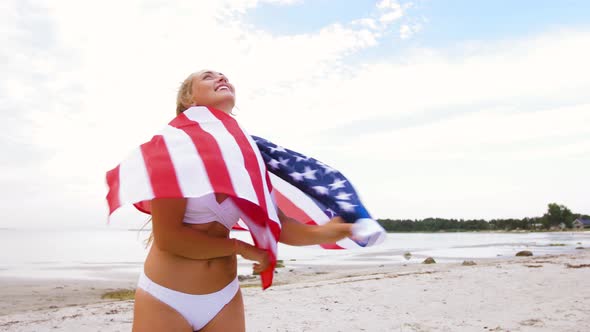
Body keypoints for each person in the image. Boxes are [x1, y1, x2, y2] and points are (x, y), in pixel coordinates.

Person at [131, 70, 355, 332]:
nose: (221, 78)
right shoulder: (172, 146)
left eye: (224, 76)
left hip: (223, 297)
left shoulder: (246, 156)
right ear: (189, 99)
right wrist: (242, 247)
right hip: (166, 296)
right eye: (208, 77)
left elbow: (279, 224)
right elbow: (170, 239)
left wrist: (334, 231)